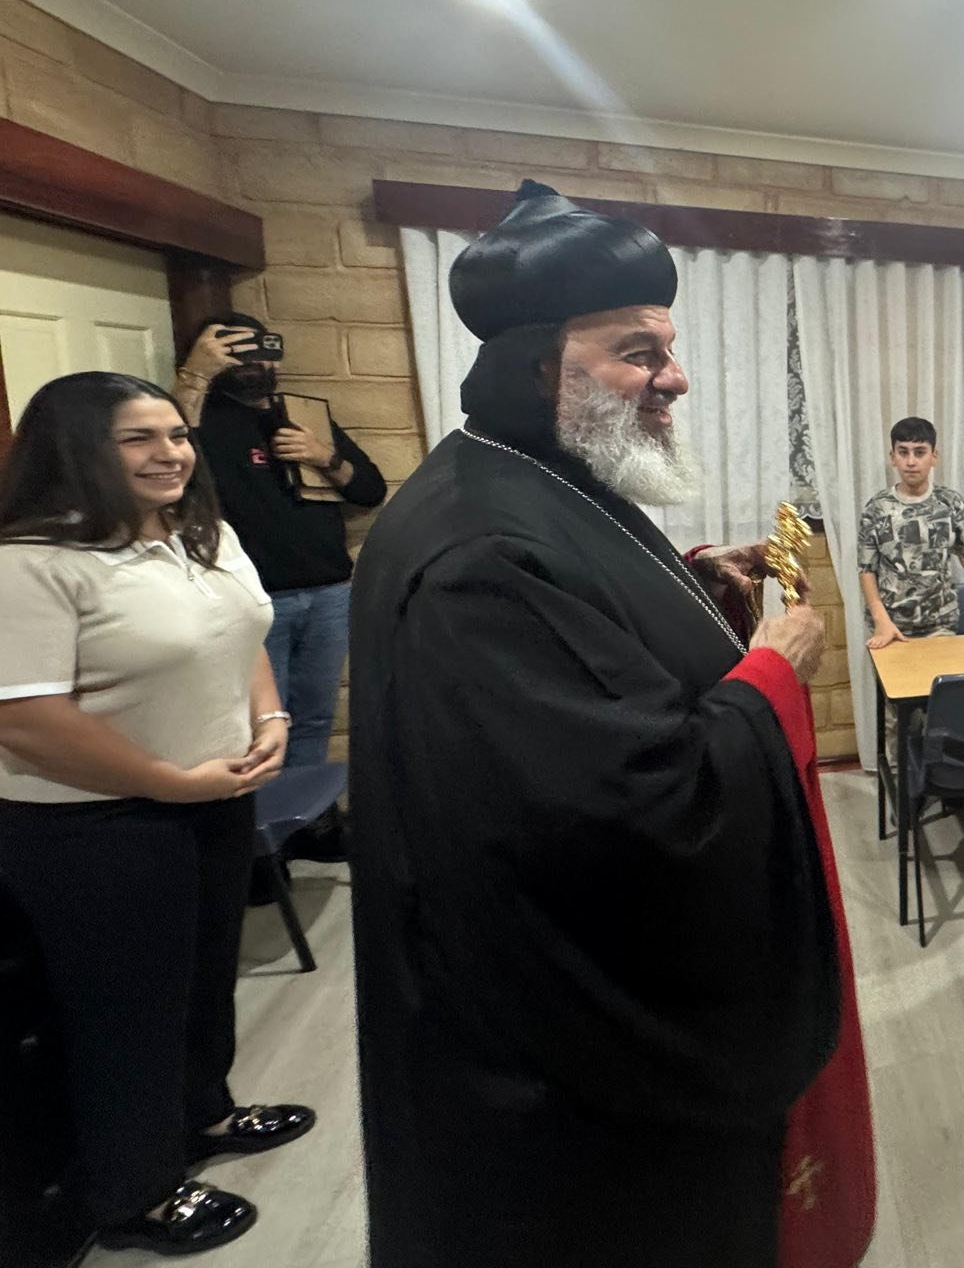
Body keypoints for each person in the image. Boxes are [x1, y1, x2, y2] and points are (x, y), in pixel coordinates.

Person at [347, 182, 871, 1268]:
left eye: (667, 349)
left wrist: (693, 586)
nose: (674, 377)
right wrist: (773, 679)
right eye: (638, 352)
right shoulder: (479, 555)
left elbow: (590, 628)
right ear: (540, 366)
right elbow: (629, 807)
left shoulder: (530, 475)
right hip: (565, 1069)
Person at [0, 372, 312, 1256]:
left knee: (204, 977)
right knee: (126, 1013)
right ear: (74, 450)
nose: (170, 454)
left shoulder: (199, 534)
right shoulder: (30, 563)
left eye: (176, 435)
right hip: (95, 826)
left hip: (211, 798)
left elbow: (239, 638)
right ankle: (134, 1191)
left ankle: (202, 1113)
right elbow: (24, 718)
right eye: (138, 438)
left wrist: (271, 719)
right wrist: (166, 782)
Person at [173, 312, 387, 778]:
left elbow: (370, 490)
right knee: (261, 724)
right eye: (237, 353)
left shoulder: (300, 414)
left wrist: (325, 457)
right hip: (256, 598)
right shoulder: (199, 420)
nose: (255, 363)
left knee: (315, 717)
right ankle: (263, 818)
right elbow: (174, 464)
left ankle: (304, 811)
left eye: (262, 351)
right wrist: (196, 374)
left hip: (329, 591)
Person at [858, 416, 964, 650]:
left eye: (920, 452)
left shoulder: (950, 503)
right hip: (891, 628)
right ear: (893, 457)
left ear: (934, 456)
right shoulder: (876, 508)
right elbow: (866, 569)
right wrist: (881, 619)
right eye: (903, 452)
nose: (911, 461)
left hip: (941, 626)